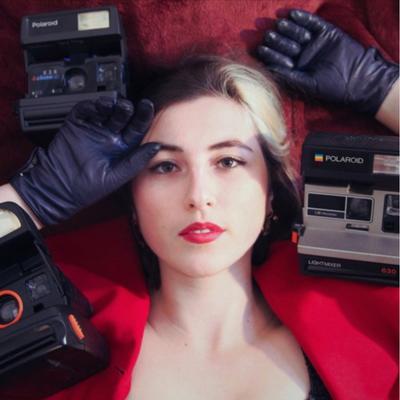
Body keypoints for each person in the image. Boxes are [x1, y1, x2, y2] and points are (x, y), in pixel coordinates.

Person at [0, 9, 398, 400]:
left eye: (228, 161)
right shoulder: (61, 310)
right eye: (166, 166)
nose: (198, 195)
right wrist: (34, 196)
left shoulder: (366, 308)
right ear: (133, 199)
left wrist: (381, 89)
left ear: (271, 191)